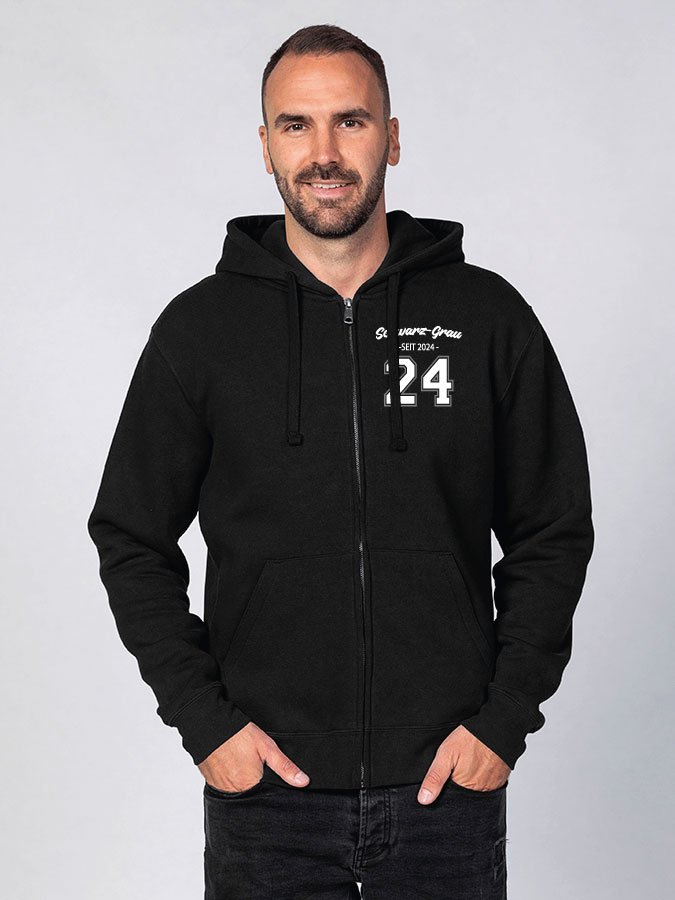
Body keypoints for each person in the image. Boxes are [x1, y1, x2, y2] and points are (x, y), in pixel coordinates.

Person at [87, 23, 595, 899]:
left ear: (391, 137)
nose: (323, 152)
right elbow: (130, 536)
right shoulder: (199, 332)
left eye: (350, 121)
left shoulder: (486, 318)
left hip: (445, 793)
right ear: (265, 146)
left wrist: (502, 722)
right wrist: (206, 724)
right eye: (296, 124)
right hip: (265, 797)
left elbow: (551, 528)